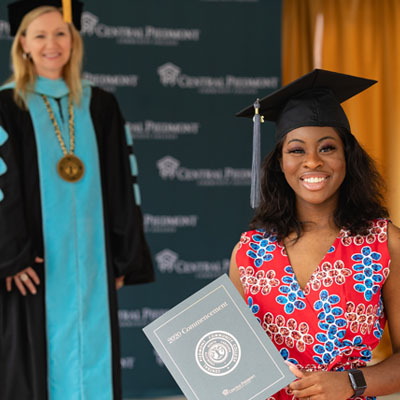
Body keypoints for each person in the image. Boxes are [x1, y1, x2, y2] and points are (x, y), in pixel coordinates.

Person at [0, 1, 154, 399]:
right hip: (35, 266)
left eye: (61, 33)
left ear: (74, 40)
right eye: (40, 35)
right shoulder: (6, 106)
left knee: (94, 359)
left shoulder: (100, 104)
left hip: (91, 263)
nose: (52, 44)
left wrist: (123, 256)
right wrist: (11, 256)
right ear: (23, 46)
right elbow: (4, 189)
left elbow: (123, 184)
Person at [230, 69, 400, 400]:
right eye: (296, 150)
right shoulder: (248, 253)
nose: (312, 161)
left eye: (327, 148)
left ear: (347, 157)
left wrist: (351, 382)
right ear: (279, 162)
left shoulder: (384, 242)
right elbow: (233, 366)